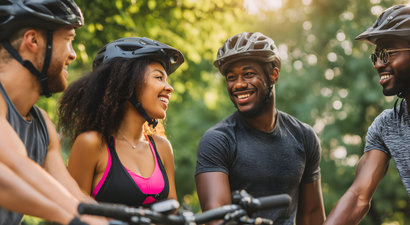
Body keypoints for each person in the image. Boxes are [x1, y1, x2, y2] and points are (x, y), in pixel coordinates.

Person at [324, 5, 410, 225]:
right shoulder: (386, 126)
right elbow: (358, 197)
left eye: (387, 54)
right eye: (376, 56)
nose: (378, 64)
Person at [195, 32, 325, 225]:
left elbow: (312, 215)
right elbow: (217, 220)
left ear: (273, 75)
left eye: (248, 74)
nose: (238, 84)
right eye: (231, 77)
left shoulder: (304, 136)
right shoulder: (218, 140)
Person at [0, 0, 108, 224]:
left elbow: (73, 197)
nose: (73, 55)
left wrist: (125, 218)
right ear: (33, 40)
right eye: (68, 40)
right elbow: (16, 167)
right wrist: (72, 219)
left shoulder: (42, 124)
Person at [58, 37, 183, 207]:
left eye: (167, 80)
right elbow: (71, 211)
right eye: (159, 77)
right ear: (126, 83)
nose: (169, 88)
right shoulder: (91, 144)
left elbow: (173, 212)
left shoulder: (162, 148)